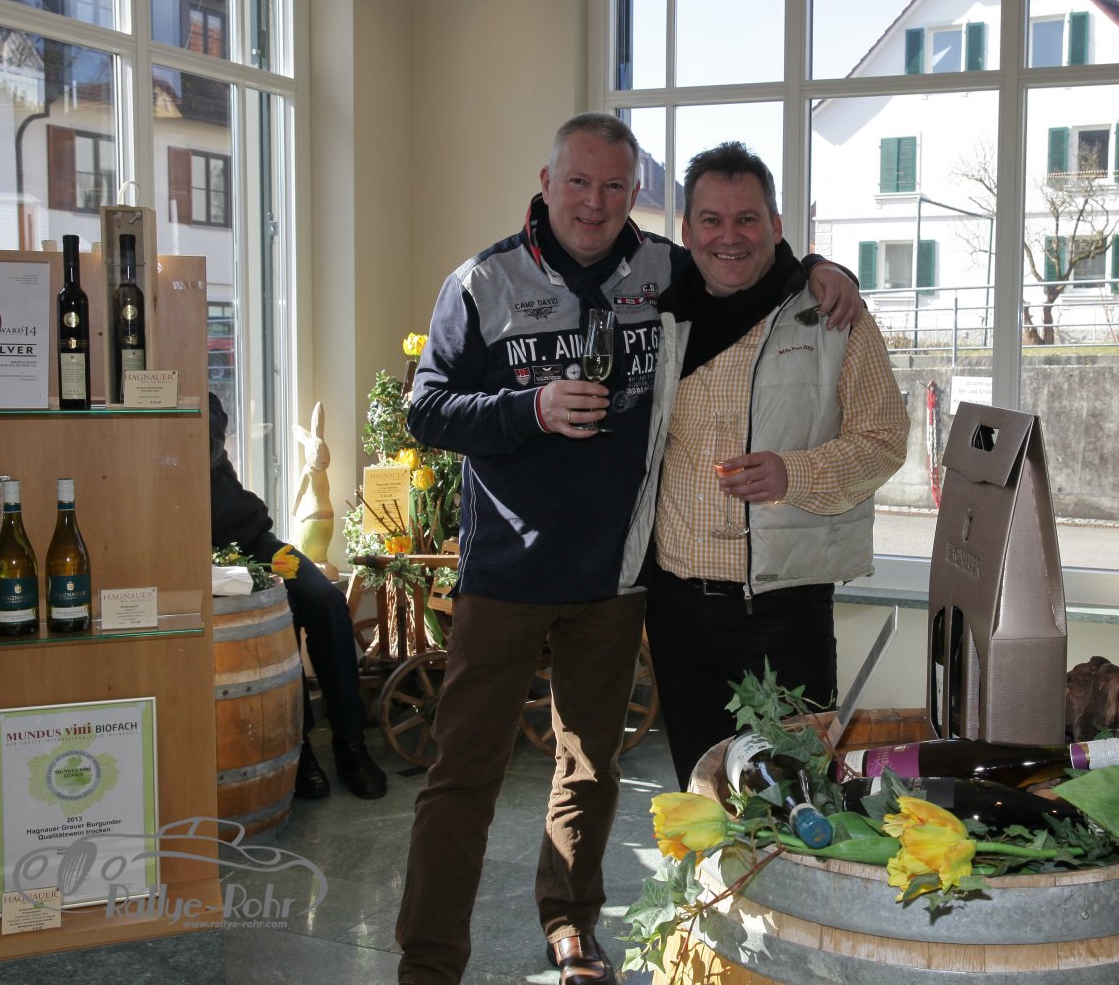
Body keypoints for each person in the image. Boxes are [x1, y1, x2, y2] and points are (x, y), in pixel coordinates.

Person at [394, 112, 859, 985]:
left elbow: (747, 267)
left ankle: (570, 923)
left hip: (616, 577)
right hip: (504, 576)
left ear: (636, 191)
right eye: (579, 181)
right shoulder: (481, 282)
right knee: (463, 777)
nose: (595, 202)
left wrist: (826, 270)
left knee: (589, 767)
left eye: (615, 185)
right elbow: (426, 408)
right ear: (547, 181)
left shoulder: (666, 271)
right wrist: (528, 410)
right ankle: (429, 959)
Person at [621, 141, 909, 790]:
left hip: (784, 607)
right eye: (712, 220)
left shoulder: (831, 314)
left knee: (795, 794)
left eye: (747, 219)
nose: (730, 237)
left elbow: (885, 438)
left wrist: (793, 474)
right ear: (687, 230)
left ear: (776, 225)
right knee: (702, 792)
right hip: (676, 607)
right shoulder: (662, 315)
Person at [208, 392, 388, 801]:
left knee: (325, 601)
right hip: (204, 560)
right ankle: (300, 747)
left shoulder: (204, 403)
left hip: (253, 541)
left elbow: (206, 443)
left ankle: (350, 742)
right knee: (278, 615)